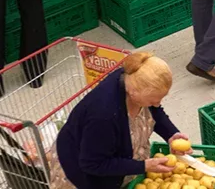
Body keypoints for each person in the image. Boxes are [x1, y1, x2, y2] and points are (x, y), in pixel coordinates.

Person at [51, 52, 192, 189]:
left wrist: (170, 134)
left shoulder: (132, 77)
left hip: (112, 160)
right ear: (133, 92)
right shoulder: (103, 116)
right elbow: (92, 164)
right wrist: (143, 166)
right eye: (152, 100)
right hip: (84, 173)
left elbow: (155, 110)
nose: (157, 104)